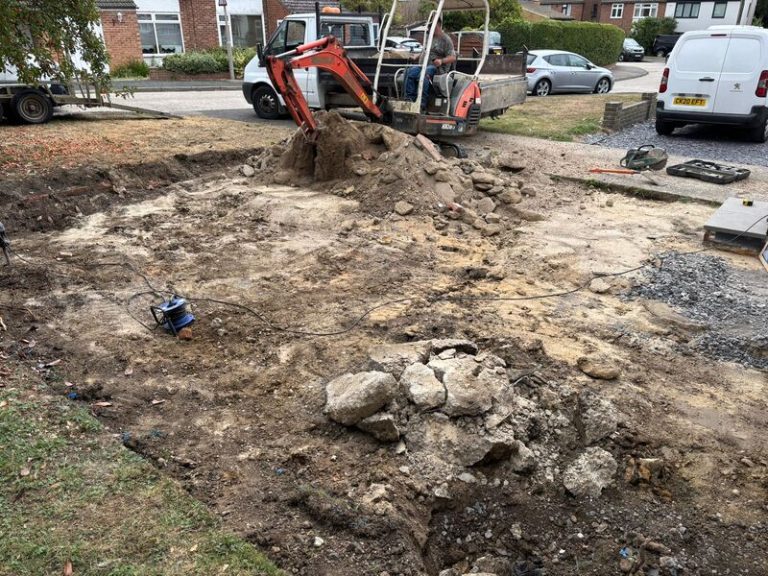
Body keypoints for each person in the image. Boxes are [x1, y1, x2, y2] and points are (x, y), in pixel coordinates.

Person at [404, 17, 456, 109]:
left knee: (424, 74)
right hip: (424, 65)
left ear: (439, 25)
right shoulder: (430, 37)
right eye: (430, 26)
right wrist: (416, 56)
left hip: (437, 68)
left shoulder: (446, 39)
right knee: (409, 72)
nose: (430, 28)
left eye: (433, 26)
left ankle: (421, 103)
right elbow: (425, 51)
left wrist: (441, 61)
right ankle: (410, 100)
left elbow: (452, 57)